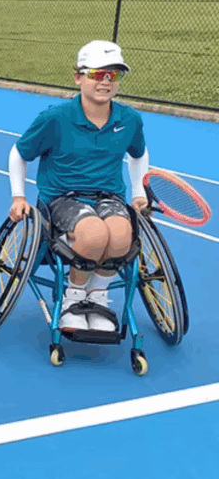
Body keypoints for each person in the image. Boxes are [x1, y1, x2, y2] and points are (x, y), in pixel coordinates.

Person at [8, 40, 148, 333]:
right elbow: (19, 154)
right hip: (62, 199)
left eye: (113, 75)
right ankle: (73, 299)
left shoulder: (130, 119)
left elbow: (139, 153)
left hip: (109, 197)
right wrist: (18, 196)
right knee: (94, 234)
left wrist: (138, 193)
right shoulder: (54, 118)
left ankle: (97, 297)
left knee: (122, 234)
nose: (105, 81)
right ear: (78, 77)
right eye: (97, 74)